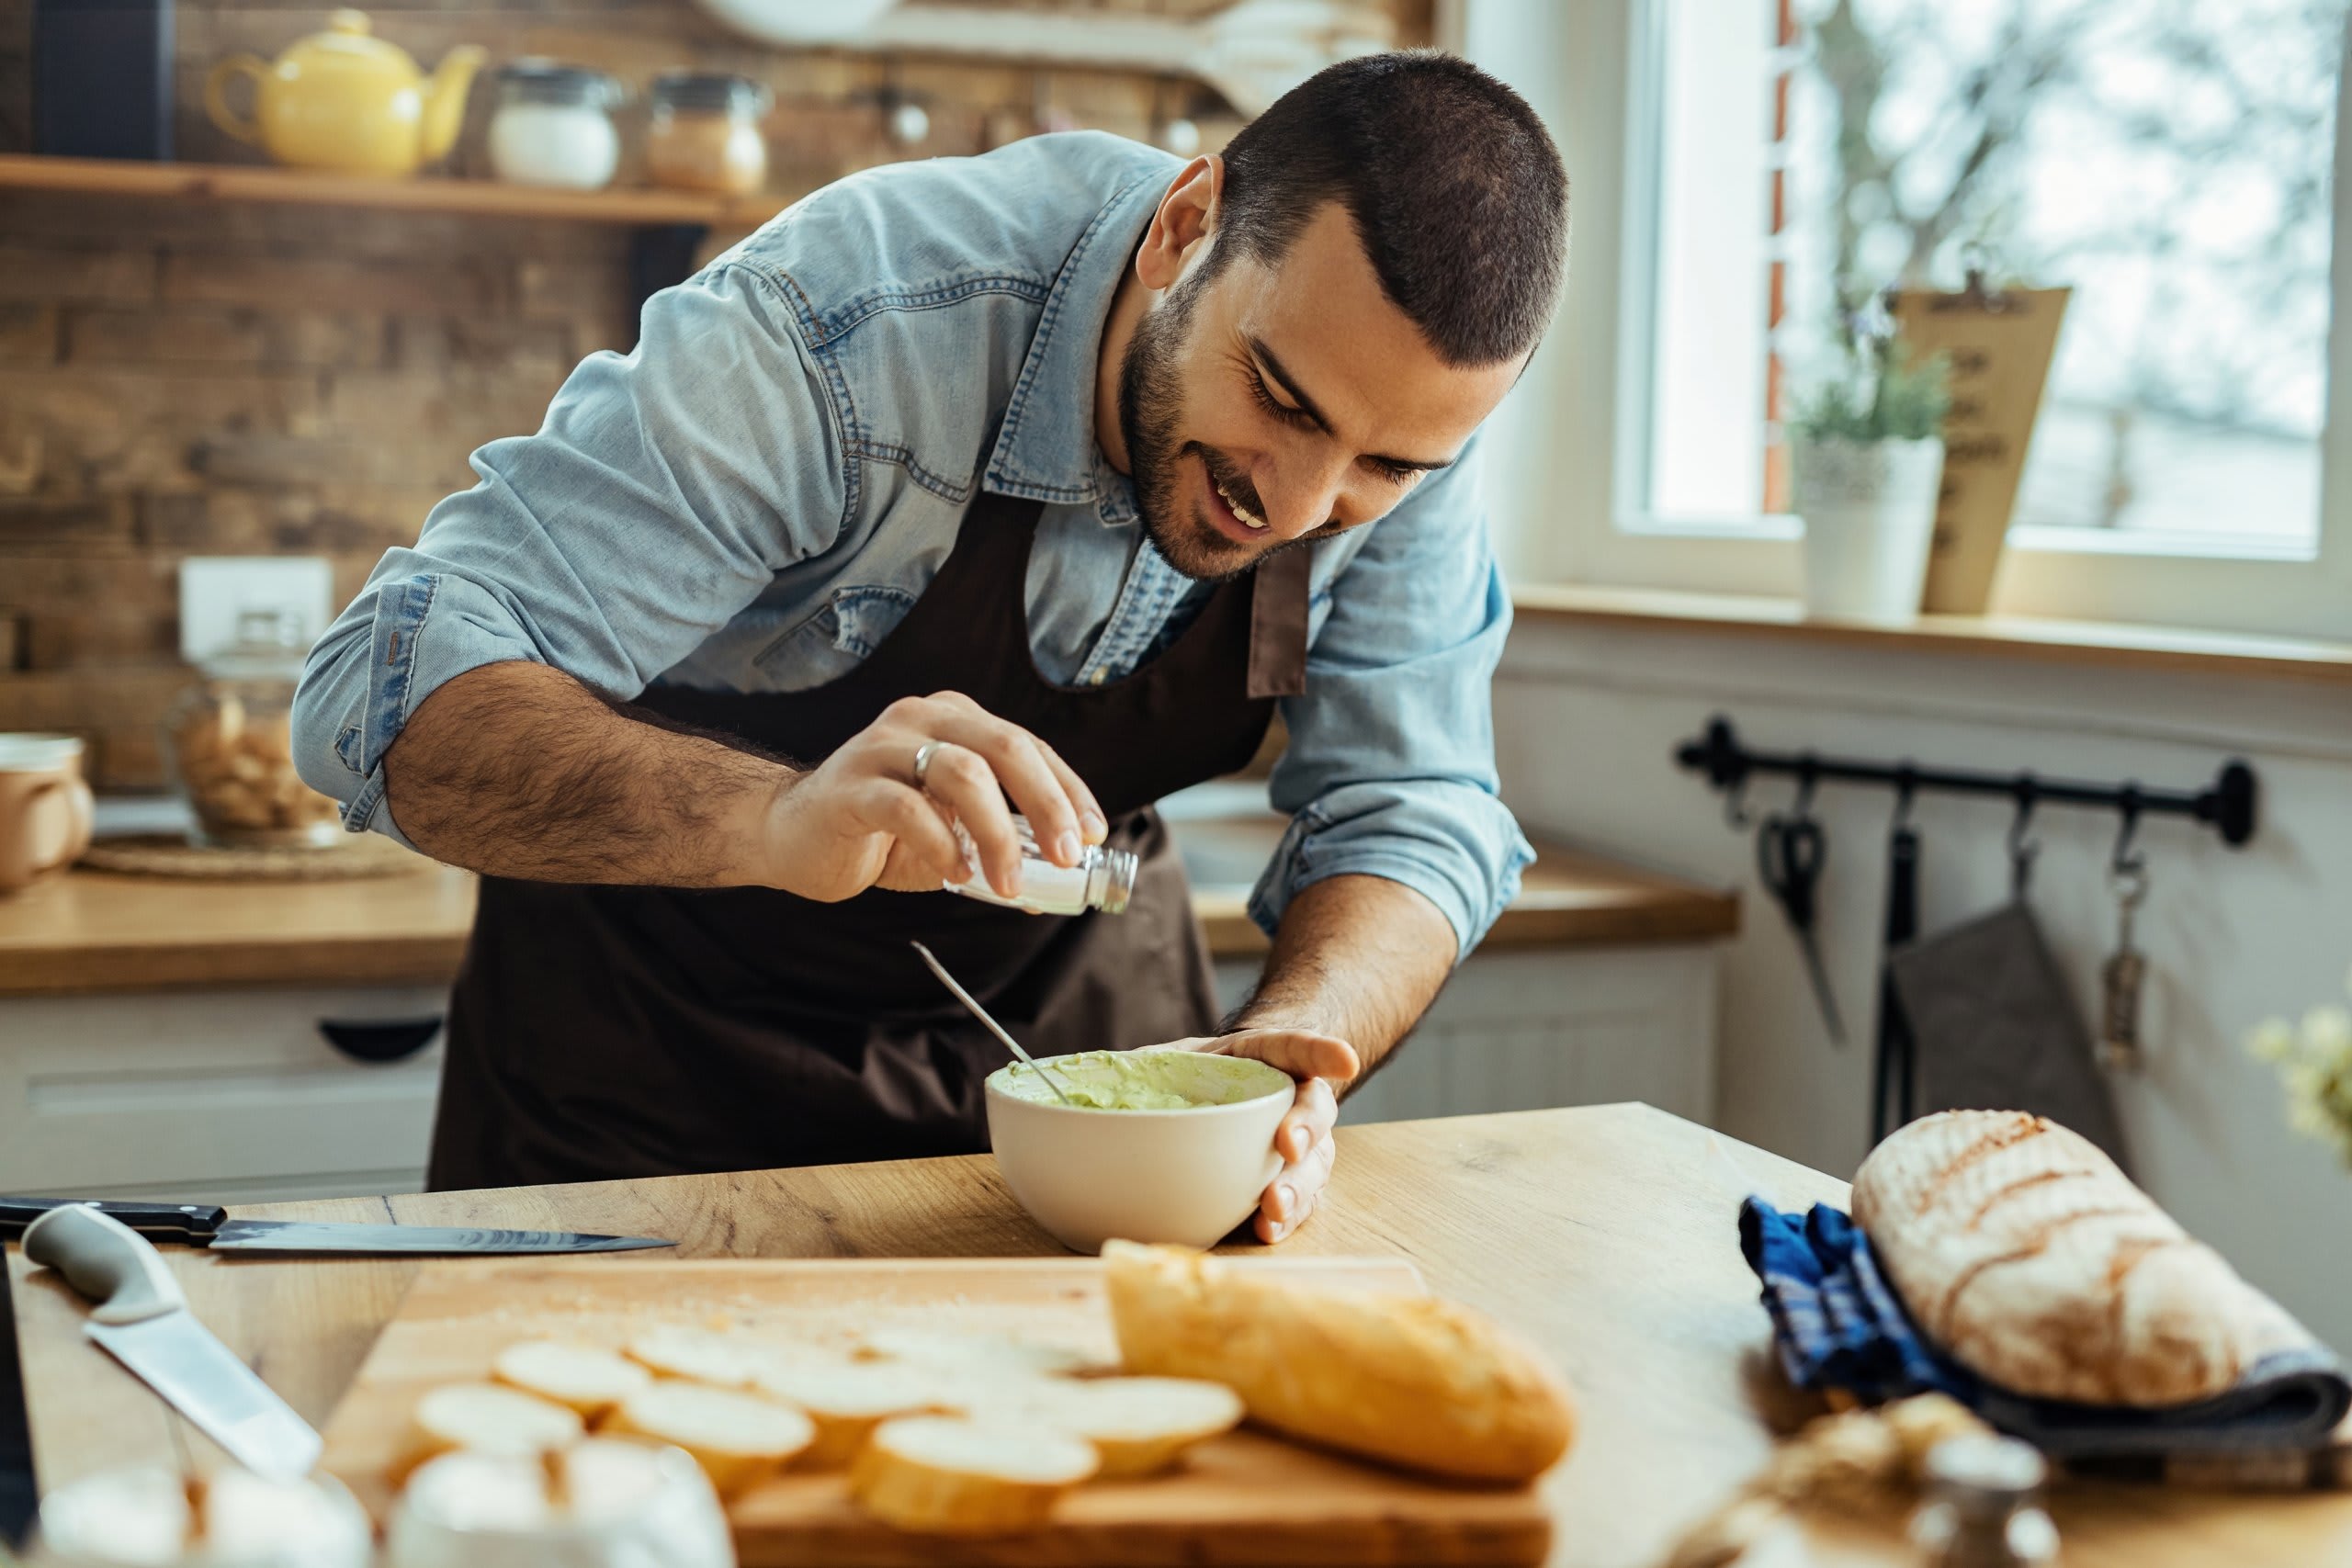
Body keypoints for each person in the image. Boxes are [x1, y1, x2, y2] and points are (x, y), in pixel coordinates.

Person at [291, 51, 1568, 1243]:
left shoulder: (1396, 413)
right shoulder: (855, 323)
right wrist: (782, 819)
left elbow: (1414, 808)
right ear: (1187, 227)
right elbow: (378, 693)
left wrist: (1299, 1040)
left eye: (1384, 467)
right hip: (652, 1070)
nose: (1298, 508)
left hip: (1078, 1059)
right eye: (1280, 403)